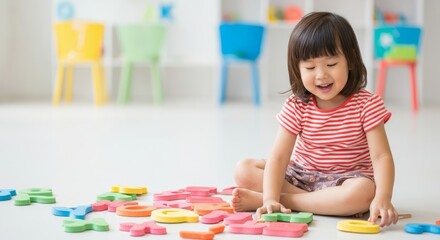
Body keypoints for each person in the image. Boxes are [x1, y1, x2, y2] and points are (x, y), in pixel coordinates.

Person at [231, 12, 399, 227]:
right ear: (297, 69)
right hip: (301, 177)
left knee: (363, 193)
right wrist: (270, 197)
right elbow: (279, 158)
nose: (321, 75)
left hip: (346, 181)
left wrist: (383, 197)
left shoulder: (366, 104)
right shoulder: (297, 105)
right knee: (243, 169)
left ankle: (286, 201)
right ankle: (316, 203)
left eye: (331, 64)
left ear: (350, 60)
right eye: (310, 68)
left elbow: (381, 157)